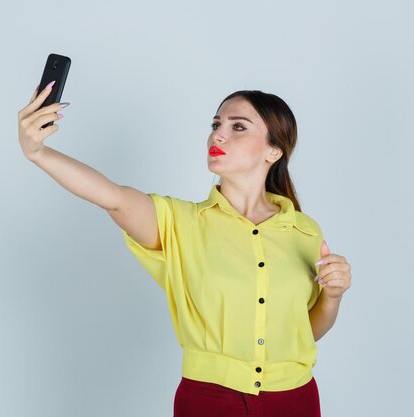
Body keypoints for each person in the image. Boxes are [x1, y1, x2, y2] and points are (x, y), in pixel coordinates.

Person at [18, 81, 352, 417]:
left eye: (238, 127)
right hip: (210, 401)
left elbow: (305, 332)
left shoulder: (303, 231)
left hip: (296, 400)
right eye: (216, 125)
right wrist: (38, 153)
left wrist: (333, 296)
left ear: (273, 151)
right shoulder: (180, 222)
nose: (218, 135)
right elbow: (113, 197)